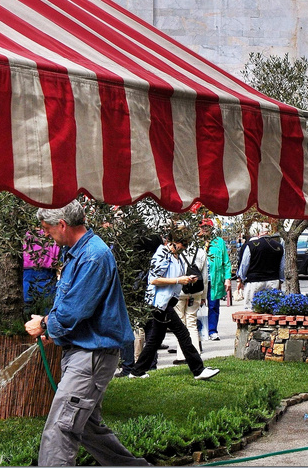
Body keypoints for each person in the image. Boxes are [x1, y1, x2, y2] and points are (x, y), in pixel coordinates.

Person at [24, 200, 150, 467]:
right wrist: (55, 332)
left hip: (91, 357)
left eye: (47, 228)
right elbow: (75, 306)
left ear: (62, 224)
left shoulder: (93, 255)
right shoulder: (78, 251)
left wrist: (45, 324)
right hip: (84, 352)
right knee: (88, 428)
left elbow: (74, 310)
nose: (45, 233)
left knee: (61, 428)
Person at [127, 226, 219, 381]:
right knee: (183, 333)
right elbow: (154, 279)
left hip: (166, 302)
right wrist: (178, 280)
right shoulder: (162, 253)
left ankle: (137, 371)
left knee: (156, 338)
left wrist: (186, 278)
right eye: (183, 244)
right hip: (160, 303)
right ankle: (198, 370)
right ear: (174, 242)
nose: (184, 247)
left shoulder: (174, 255)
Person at [173, 231, 208, 353]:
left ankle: (182, 354)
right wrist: (204, 295)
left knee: (180, 322)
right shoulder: (201, 251)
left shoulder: (177, 252)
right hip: (196, 291)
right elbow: (204, 277)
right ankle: (195, 351)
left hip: (180, 290)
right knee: (192, 321)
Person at [238, 221, 285, 308]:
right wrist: (281, 279)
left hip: (254, 281)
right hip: (273, 280)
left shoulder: (251, 245)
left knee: (250, 308)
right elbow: (282, 267)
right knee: (272, 308)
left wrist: (242, 278)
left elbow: (245, 264)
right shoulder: (279, 246)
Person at [199, 219, 232, 341]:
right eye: (202, 227)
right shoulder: (196, 242)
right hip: (200, 281)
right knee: (197, 306)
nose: (205, 229)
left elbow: (226, 262)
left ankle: (212, 331)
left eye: (207, 227)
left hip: (214, 280)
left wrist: (227, 279)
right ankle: (199, 330)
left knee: (213, 306)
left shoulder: (219, 242)